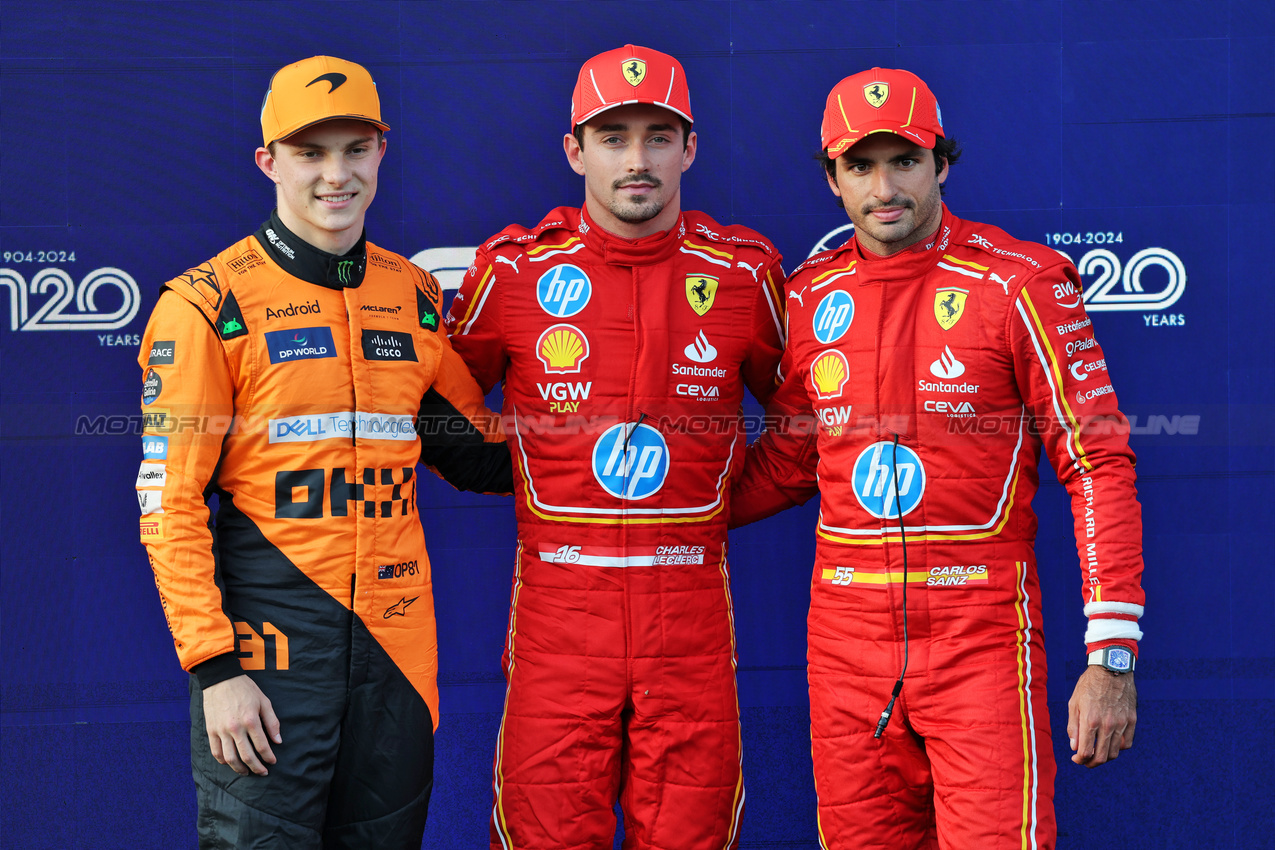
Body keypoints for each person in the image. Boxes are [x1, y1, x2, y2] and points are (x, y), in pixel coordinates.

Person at [730, 68, 1145, 848]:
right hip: (844, 647)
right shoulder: (809, 296)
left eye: (905, 160)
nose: (883, 187)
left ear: (941, 163)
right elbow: (787, 465)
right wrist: (655, 512)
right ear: (831, 178)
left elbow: (1096, 465)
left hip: (978, 636)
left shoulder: (1018, 284)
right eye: (860, 165)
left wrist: (1111, 659)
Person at [135, 55, 510, 849]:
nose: (335, 175)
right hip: (267, 666)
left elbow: (479, 455)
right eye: (310, 153)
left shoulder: (411, 294)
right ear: (269, 161)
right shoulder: (206, 304)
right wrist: (214, 671)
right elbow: (168, 503)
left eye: (354, 149)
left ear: (382, 151)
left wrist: (605, 409)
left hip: (398, 660)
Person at [445, 44, 787, 850]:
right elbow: (445, 415)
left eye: (657, 136)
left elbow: (811, 424)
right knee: (542, 835)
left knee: (692, 837)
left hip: (690, 616)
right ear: (574, 150)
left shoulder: (744, 273)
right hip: (560, 617)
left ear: (689, 147)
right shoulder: (515, 272)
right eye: (612, 137)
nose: (637, 160)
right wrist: (537, 481)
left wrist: (709, 508)